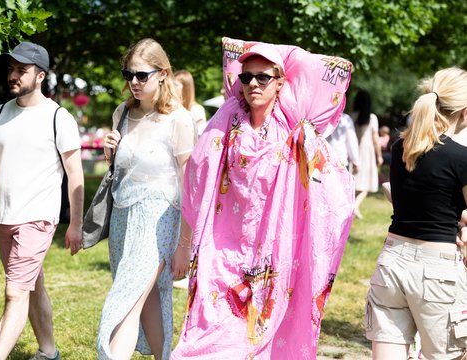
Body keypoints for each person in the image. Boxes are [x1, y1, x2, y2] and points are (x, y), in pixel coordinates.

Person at [171, 39, 353, 359]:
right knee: (213, 325)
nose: (253, 84)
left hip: (273, 250)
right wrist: (187, 243)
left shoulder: (293, 126)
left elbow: (331, 78)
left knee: (264, 327)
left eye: (263, 77)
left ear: (281, 82)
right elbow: (200, 169)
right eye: (246, 77)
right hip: (225, 245)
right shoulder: (229, 119)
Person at [0, 42, 84, 360]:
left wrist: (77, 224)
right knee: (31, 285)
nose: (13, 75)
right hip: (5, 216)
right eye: (11, 69)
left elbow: (75, 173)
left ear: (40, 75)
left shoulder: (58, 117)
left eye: (21, 70)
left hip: (37, 217)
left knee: (14, 292)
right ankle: (49, 351)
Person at [96, 38, 196, 360]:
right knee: (147, 298)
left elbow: (190, 186)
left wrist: (184, 244)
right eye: (128, 75)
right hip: (125, 217)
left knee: (124, 303)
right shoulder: (122, 113)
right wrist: (110, 153)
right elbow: (121, 171)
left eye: (142, 75)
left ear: (163, 73)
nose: (133, 82)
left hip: (159, 222)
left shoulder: (179, 119)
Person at [365, 67, 467, 359]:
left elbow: (417, 201)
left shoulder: (401, 148)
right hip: (437, 272)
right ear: (464, 112)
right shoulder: (461, 158)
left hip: (392, 262)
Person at [352, 90, 383, 219]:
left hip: (354, 150)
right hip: (367, 151)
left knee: (354, 182)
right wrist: (379, 155)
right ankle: (354, 207)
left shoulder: (351, 116)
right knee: (366, 184)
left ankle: (352, 206)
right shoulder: (372, 118)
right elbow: (375, 139)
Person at [174, 70, 207, 135]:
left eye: (175, 85)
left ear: (185, 87)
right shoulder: (175, 108)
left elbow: (200, 136)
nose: (171, 88)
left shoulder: (196, 110)